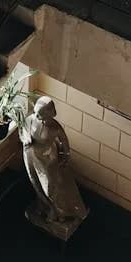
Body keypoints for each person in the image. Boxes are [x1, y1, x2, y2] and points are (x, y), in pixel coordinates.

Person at [20, 95, 89, 240]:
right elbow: (23, 129)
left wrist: (65, 156)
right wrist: (25, 138)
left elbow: (64, 143)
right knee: (35, 183)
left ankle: (60, 211)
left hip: (47, 160)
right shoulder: (31, 119)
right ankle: (45, 206)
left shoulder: (55, 128)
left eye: (40, 114)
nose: (37, 116)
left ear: (49, 114)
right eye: (36, 113)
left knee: (50, 188)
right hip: (30, 156)